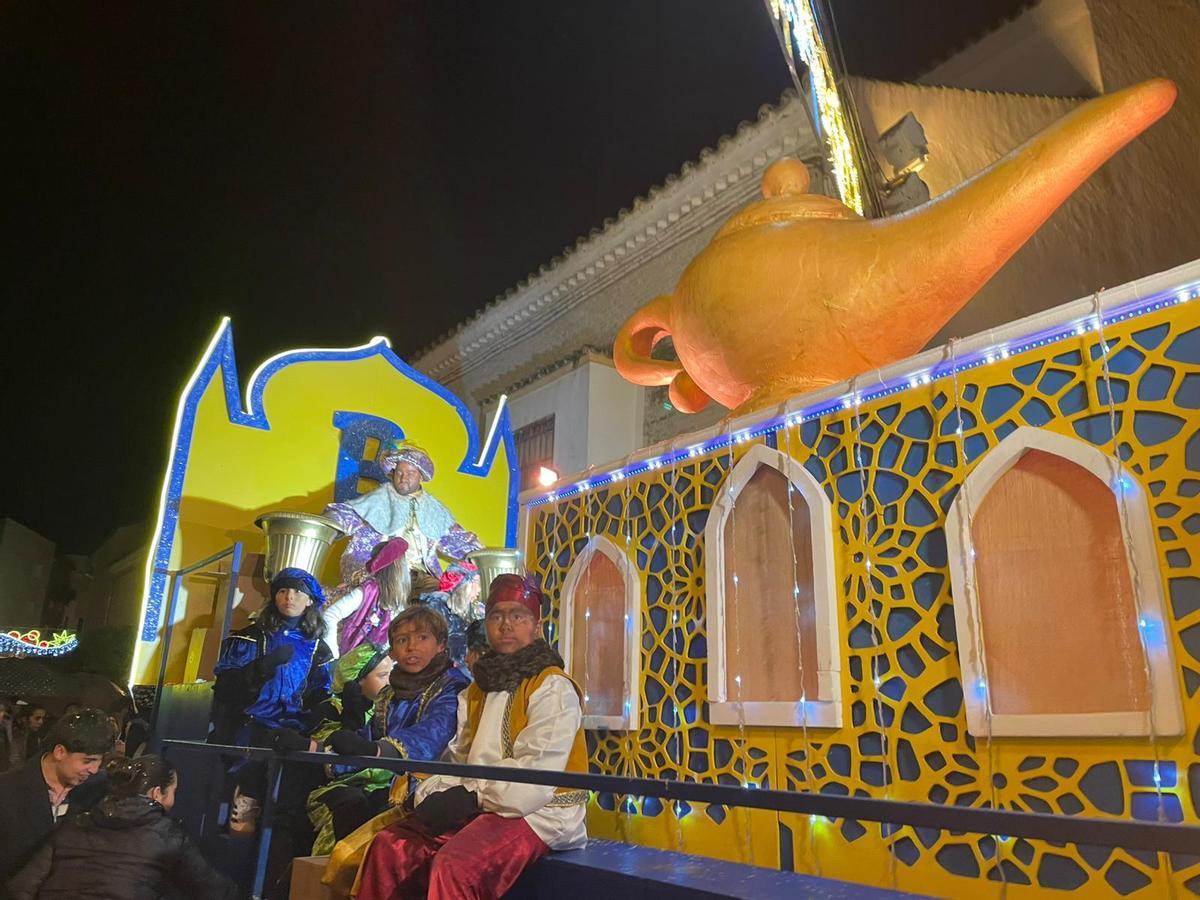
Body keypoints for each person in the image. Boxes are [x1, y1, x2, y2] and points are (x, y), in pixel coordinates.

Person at [356, 574, 588, 900]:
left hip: (540, 811)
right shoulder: (477, 689)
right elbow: (458, 757)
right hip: (483, 799)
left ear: (536, 627)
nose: (505, 625)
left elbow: (536, 776)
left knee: (456, 867)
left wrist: (471, 798)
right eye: (496, 616)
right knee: (390, 846)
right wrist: (429, 793)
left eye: (517, 616)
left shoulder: (552, 687)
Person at [313, 607, 470, 882]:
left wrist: (378, 751)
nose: (411, 647)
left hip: (432, 792)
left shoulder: (453, 687)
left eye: (422, 637)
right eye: (402, 640)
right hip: (385, 784)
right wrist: (318, 747)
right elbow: (366, 740)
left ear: (441, 644)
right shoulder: (389, 692)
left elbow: (433, 734)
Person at [7, 755, 238, 900]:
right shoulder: (167, 836)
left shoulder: (75, 824)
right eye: (173, 792)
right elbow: (212, 889)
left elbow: (22, 887)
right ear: (157, 793)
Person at [210, 566, 333, 835]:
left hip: (294, 728)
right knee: (252, 775)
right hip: (251, 722)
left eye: (297, 592)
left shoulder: (318, 649)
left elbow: (319, 694)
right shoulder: (248, 638)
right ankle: (245, 808)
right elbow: (226, 689)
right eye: (283, 591)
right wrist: (262, 667)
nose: (289, 597)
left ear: (310, 600)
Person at [324, 440, 481, 582]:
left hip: (420, 576)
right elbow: (347, 514)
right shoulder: (379, 499)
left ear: (421, 476)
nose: (403, 478)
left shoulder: (434, 509)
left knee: (440, 602)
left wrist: (481, 556)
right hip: (381, 572)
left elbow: (458, 540)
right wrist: (329, 521)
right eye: (399, 472)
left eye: (410, 473)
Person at [0, 709, 113, 882]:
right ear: (60, 752)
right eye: (87, 761)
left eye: (99, 761)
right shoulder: (7, 789)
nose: (94, 770)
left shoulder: (100, 789)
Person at [320, 537, 412, 657]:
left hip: (378, 668)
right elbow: (330, 615)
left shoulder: (398, 602)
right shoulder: (368, 590)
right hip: (353, 665)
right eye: (405, 560)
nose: (409, 566)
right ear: (397, 565)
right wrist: (333, 654)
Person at [413, 561, 483, 668]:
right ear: (464, 586)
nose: (479, 589)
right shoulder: (436, 609)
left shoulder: (475, 609)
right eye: (475, 583)